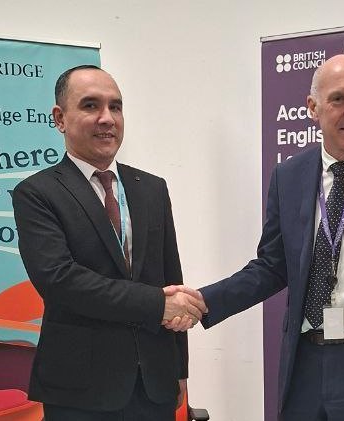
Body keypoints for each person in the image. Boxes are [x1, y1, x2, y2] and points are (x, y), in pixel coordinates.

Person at [166, 54, 344, 420]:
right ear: (313, 108)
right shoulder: (289, 176)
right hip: (305, 361)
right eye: (338, 99)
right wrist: (204, 301)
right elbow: (272, 266)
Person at [12, 64, 206, 421]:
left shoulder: (152, 188)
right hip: (80, 390)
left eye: (115, 107)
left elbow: (170, 278)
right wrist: (155, 304)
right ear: (59, 118)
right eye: (91, 105)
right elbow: (60, 280)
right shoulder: (37, 193)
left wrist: (179, 369)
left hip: (154, 385)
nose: (107, 118)